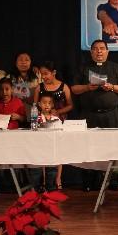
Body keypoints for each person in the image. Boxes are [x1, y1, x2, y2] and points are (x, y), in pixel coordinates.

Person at [72, 39, 118, 191]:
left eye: (102, 49)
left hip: (110, 115)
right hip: (88, 115)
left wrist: (111, 87)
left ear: (107, 51)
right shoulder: (83, 68)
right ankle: (88, 181)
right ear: (91, 52)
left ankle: (112, 180)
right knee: (88, 147)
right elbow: (74, 89)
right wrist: (87, 87)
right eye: (96, 49)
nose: (99, 51)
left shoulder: (115, 68)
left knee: (112, 147)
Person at [34, 61, 73, 190]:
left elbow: (70, 105)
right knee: (44, 152)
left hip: (59, 122)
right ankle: (45, 180)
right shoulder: (39, 88)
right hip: (43, 123)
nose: (44, 77)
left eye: (46, 74)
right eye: (41, 74)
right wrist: (41, 117)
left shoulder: (63, 86)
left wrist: (58, 112)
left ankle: (58, 179)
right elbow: (35, 106)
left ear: (54, 73)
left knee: (58, 151)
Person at [7, 51, 41, 122]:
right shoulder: (9, 78)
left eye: (26, 60)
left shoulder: (38, 76)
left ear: (31, 62)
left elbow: (44, 93)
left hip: (35, 116)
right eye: (20, 60)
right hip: (16, 116)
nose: (23, 62)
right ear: (16, 63)